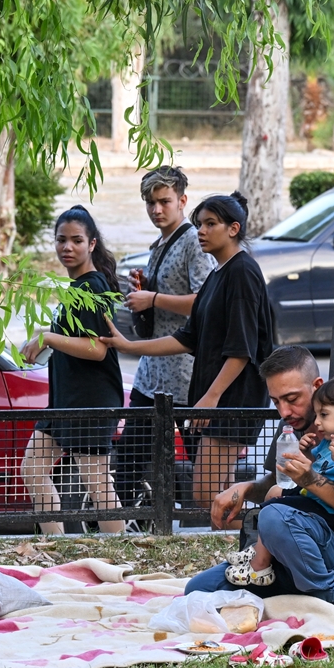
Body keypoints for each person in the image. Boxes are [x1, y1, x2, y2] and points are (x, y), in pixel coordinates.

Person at [102, 192, 274, 510]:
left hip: (231, 401)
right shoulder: (219, 274)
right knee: (219, 497)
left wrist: (210, 398)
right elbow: (186, 337)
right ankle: (248, 550)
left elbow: (242, 349)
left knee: (206, 496)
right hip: (217, 399)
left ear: (233, 228)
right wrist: (129, 346)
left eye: (210, 224)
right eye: (199, 224)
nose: (201, 232)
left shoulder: (242, 273)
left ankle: (270, 527)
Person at [185, 346, 334, 614]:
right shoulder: (291, 428)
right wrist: (243, 488)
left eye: (292, 399)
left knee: (274, 517)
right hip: (288, 548)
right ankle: (287, 588)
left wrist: (310, 479)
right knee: (197, 590)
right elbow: (278, 482)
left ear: (317, 386)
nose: (284, 411)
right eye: (276, 401)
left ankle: (330, 601)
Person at [21, 206, 126, 535]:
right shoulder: (78, 288)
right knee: (33, 469)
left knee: (98, 485)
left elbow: (96, 349)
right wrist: (47, 336)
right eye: (61, 240)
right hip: (65, 402)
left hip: (89, 402)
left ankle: (125, 554)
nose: (67, 247)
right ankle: (56, 549)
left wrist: (48, 336)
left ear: (92, 244)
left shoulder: (90, 288)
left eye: (76, 240)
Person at [115, 166, 212, 501]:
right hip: (151, 372)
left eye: (164, 201)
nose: (156, 210)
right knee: (128, 461)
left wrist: (152, 297)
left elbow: (205, 301)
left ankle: (202, 527)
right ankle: (125, 530)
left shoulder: (193, 242)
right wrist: (142, 292)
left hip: (185, 375)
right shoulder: (161, 243)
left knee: (202, 464)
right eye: (150, 202)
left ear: (182, 200)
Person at [224, 374, 334, 587]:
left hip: (331, 512)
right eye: (317, 415)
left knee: (273, 511)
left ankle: (260, 567)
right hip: (316, 500)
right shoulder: (330, 441)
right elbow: (319, 468)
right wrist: (306, 452)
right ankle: (257, 552)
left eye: (323, 415)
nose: (317, 422)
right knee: (273, 496)